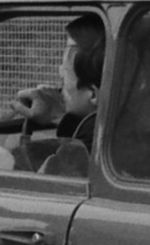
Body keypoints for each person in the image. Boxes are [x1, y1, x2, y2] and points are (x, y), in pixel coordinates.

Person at [9, 13, 108, 174]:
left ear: (94, 95)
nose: (60, 72)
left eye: (66, 70)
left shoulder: (73, 160)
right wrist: (61, 117)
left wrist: (22, 154)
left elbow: (24, 185)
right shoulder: (135, 133)